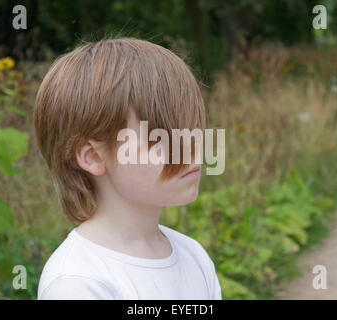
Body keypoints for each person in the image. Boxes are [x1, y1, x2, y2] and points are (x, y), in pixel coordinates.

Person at [34, 37, 222, 300]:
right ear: (92, 156)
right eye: (160, 137)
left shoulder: (193, 256)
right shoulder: (78, 285)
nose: (192, 148)